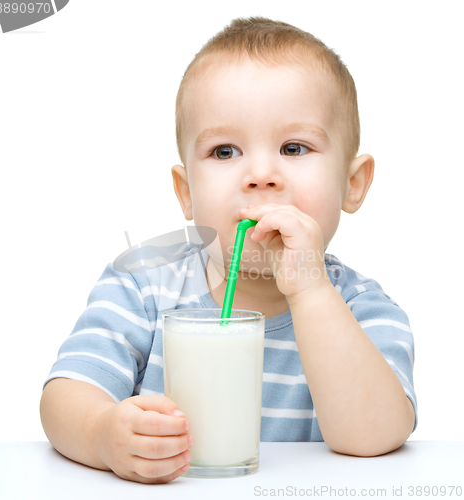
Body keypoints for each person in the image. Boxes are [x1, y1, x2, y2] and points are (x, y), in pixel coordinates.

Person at [40, 16, 417, 484]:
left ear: (353, 183)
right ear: (185, 192)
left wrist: (312, 292)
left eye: (294, 147)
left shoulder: (363, 310)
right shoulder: (143, 286)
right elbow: (65, 393)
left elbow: (375, 436)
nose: (261, 174)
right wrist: (101, 434)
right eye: (224, 152)